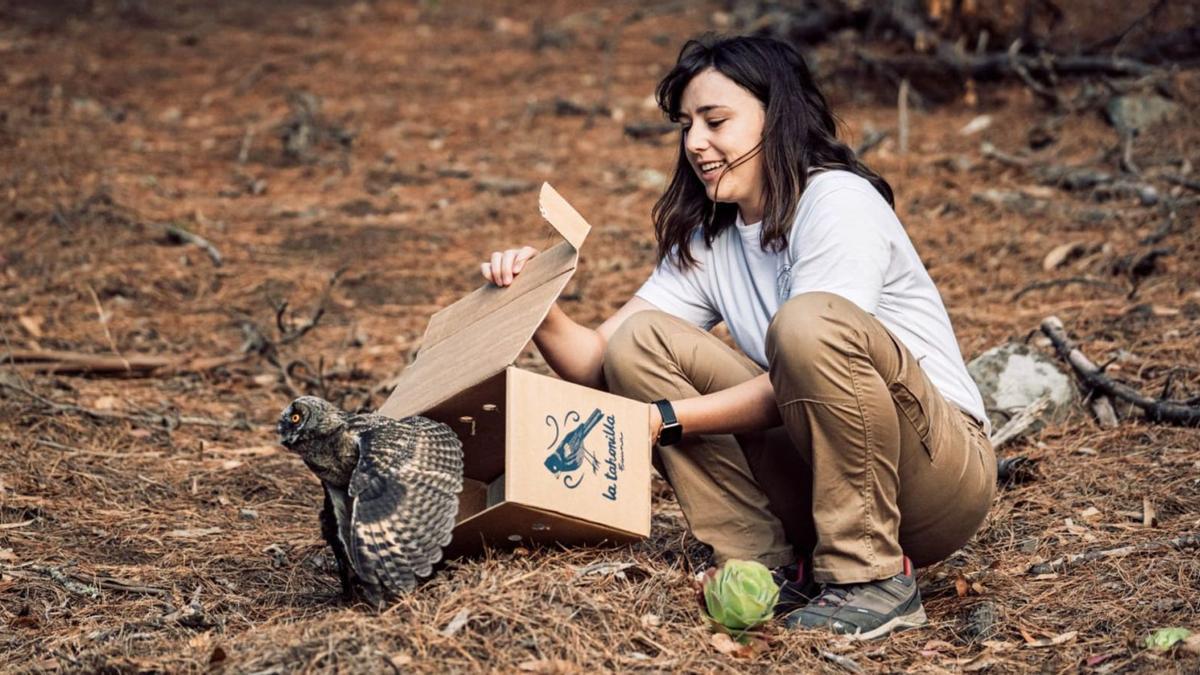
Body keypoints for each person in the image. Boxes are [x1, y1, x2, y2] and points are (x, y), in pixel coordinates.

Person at [480, 34, 995, 640]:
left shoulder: (836, 201)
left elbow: (816, 367)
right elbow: (601, 365)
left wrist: (665, 420)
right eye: (686, 123)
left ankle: (871, 579)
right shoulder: (713, 236)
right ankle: (763, 567)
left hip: (937, 476)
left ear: (776, 117)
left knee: (807, 324)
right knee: (640, 342)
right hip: (823, 475)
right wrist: (537, 306)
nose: (695, 142)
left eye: (716, 120)